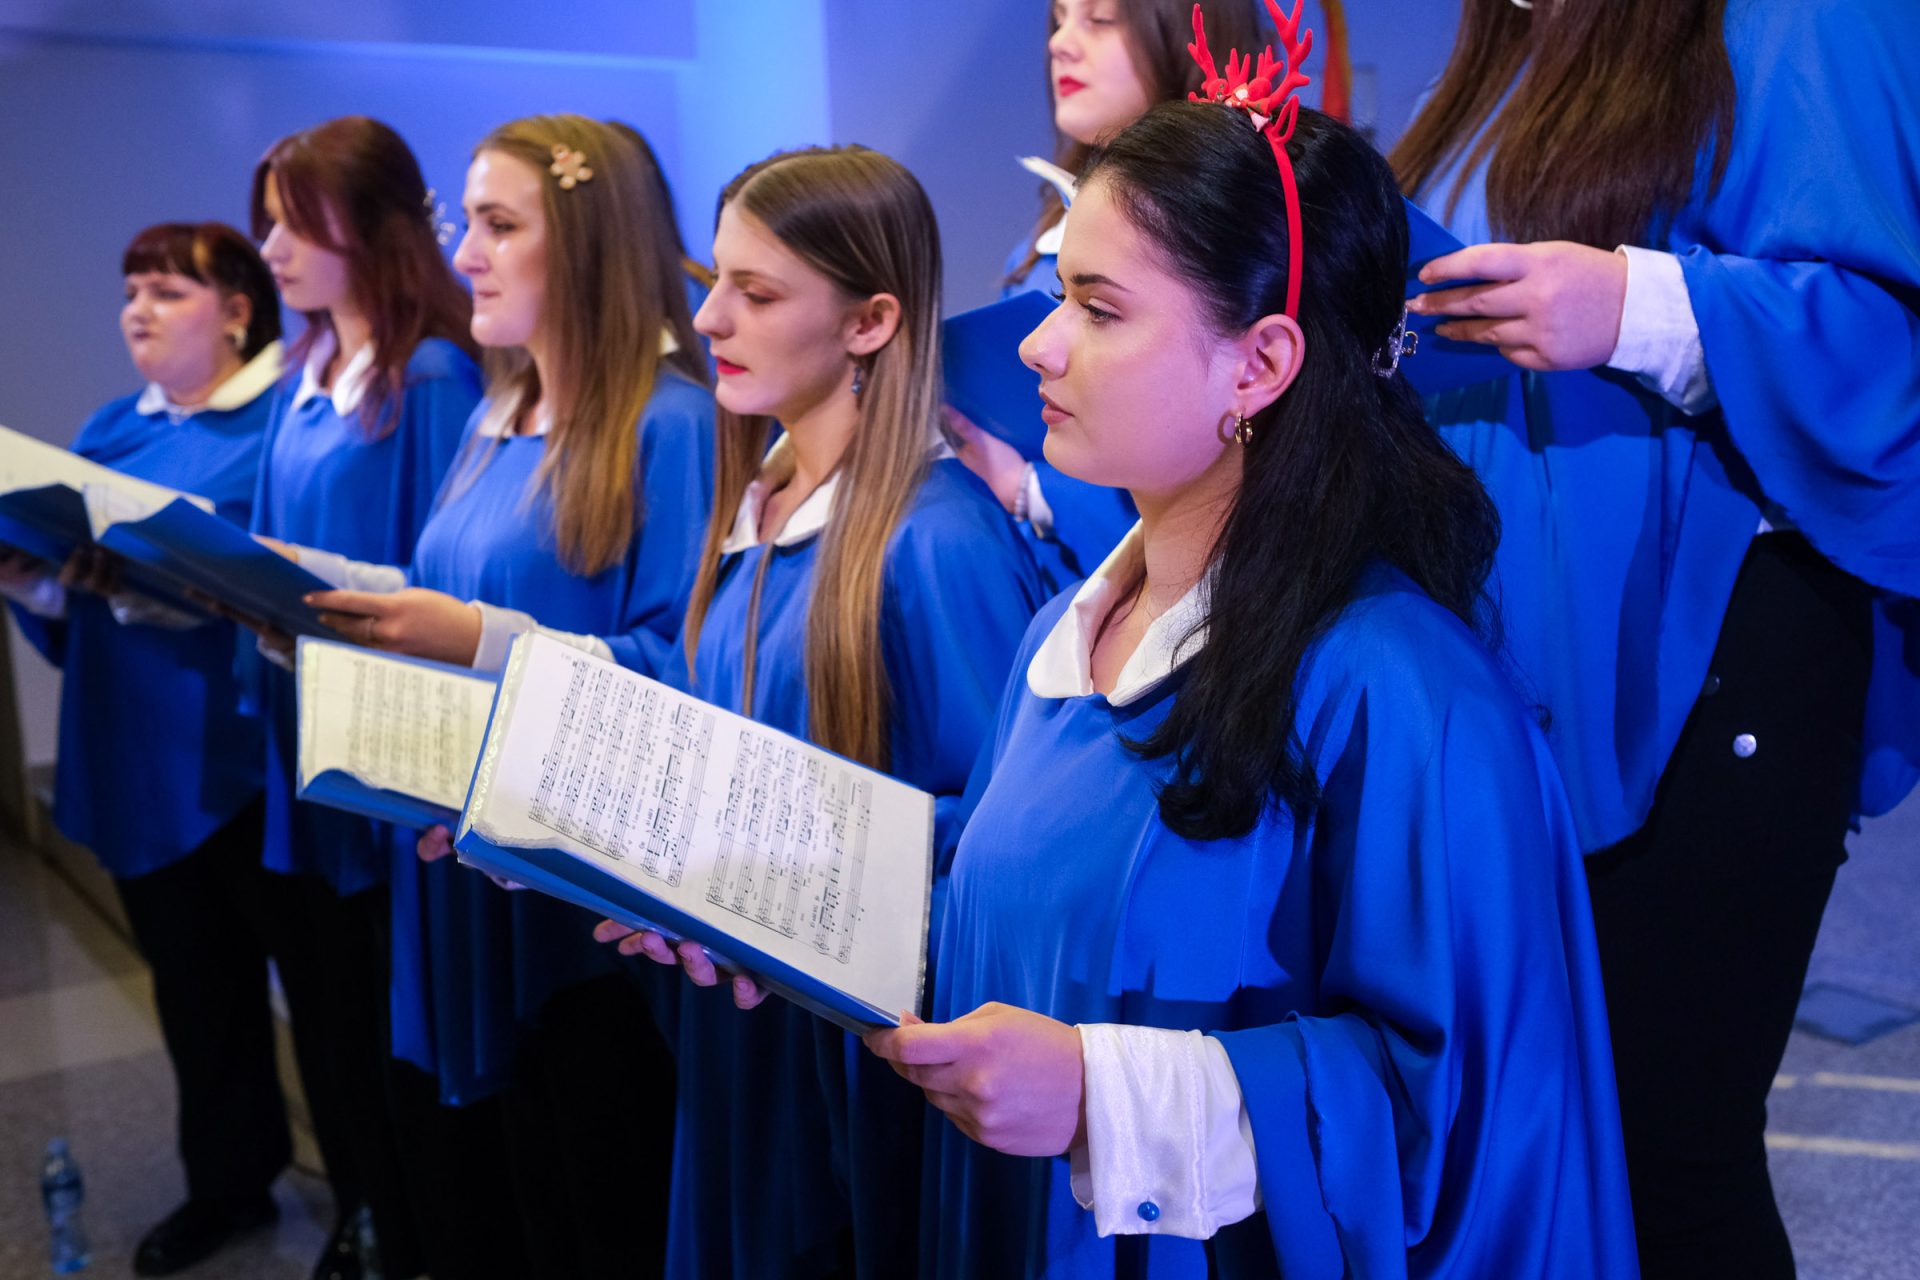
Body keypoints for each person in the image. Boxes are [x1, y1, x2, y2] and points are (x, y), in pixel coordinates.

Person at [867, 15, 1636, 1275]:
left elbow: (1456, 1118)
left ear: (1261, 363)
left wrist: (1104, 1095)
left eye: (1097, 307)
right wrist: (772, 915)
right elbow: (1017, 906)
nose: (1038, 344)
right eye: (1058, 295)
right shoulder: (1066, 631)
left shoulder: (1401, 692)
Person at [1394, 2, 1920, 1273]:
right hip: (1496, 660)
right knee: (1525, 1148)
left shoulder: (1798, 19)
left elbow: (1883, 339)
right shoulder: (1505, 47)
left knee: (1668, 1157)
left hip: (1710, 661)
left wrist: (1634, 304)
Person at [598, 144, 1045, 1278]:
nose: (709, 318)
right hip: (740, 1028)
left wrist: (772, 859)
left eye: (756, 293)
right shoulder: (757, 499)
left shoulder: (935, 539)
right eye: (716, 281)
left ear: (870, 321)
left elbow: (999, 836)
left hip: (852, 1062)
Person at [292, 114, 715, 1279]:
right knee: (502, 1192)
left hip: (586, 908)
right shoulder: (500, 408)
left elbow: (683, 675)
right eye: (462, 220)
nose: (463, 254)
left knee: (597, 1199)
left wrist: (475, 638)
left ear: (586, 240)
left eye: (497, 224)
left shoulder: (669, 423)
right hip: (469, 851)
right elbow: (451, 587)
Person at [0, 222, 293, 1277]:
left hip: (244, 761)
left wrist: (155, 586)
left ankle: (370, 1203)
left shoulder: (282, 427)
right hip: (132, 762)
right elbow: (79, 609)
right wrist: (32, 579)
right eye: (131, 290)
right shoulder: (109, 428)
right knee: (195, 996)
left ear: (238, 311)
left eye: (167, 290)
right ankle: (229, 1186)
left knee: (322, 1005)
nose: (138, 310)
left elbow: (288, 597)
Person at [248, 113, 482, 1280]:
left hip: (387, 741)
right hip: (301, 719)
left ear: (376, 228)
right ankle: (368, 1212)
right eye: (269, 223)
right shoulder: (302, 373)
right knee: (329, 1003)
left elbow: (436, 578)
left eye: (299, 223)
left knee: (390, 1013)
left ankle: (413, 1227)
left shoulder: (428, 375)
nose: (273, 249)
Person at [949, 0, 1261, 593]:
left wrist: (1030, 489)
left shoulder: (1252, 233)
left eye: (1099, 20)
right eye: (1059, 18)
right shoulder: (1035, 245)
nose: (1060, 43)